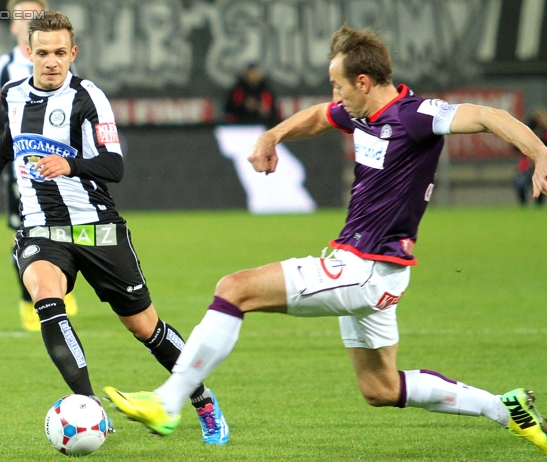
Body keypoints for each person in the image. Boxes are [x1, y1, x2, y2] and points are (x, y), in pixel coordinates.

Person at [104, 25, 547, 455]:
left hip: (366, 270)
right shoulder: (362, 114)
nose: (333, 95)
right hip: (373, 272)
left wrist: (540, 152)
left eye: (338, 86)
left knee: (233, 288)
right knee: (381, 388)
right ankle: (505, 408)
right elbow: (318, 116)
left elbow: (490, 116)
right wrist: (273, 134)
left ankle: (167, 402)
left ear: (363, 81)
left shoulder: (416, 116)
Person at [0, 11, 229, 445]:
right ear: (28, 53)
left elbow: (115, 166)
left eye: (59, 53)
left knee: (145, 327)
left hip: (96, 229)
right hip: (41, 229)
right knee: (46, 299)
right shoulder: (14, 94)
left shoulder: (88, 98)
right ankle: (89, 407)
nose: (51, 62)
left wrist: (69, 164)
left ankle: (202, 400)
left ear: (72, 53)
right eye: (43, 53)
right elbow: (10, 139)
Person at [0, 0, 78, 332]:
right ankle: (29, 300)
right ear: (13, 26)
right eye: (22, 16)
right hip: (22, 163)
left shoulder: (59, 63)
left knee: (64, 225)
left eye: (34, 15)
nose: (28, 20)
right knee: (24, 232)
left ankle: (60, 284)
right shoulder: (3, 67)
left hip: (58, 160)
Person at [514, 109, 547, 206]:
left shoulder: (544, 133)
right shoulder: (526, 133)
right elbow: (515, 146)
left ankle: (539, 205)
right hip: (526, 168)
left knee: (542, 184)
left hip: (541, 165)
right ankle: (523, 205)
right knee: (520, 183)